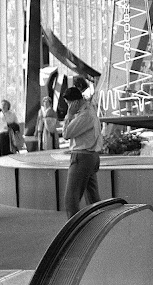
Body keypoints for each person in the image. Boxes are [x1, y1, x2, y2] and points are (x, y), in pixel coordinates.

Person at [62, 86, 103, 218]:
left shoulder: (85, 115)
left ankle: (74, 232)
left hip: (82, 158)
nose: (68, 107)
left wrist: (69, 115)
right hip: (91, 157)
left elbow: (66, 133)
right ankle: (98, 226)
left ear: (75, 102)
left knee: (70, 201)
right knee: (93, 199)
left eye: (69, 104)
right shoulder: (90, 110)